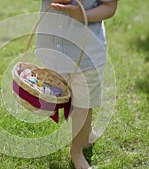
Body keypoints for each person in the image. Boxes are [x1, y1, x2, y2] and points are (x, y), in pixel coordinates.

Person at [35, 0, 117, 168]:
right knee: (64, 97)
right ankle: (85, 134)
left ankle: (76, 151)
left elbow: (110, 6)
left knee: (83, 104)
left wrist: (83, 15)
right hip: (53, 48)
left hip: (86, 54)